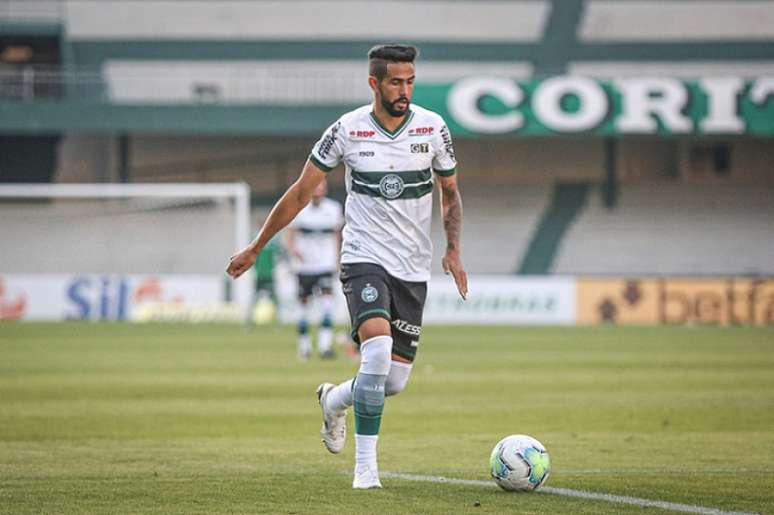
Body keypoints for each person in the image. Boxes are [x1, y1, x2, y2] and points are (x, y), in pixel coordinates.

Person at [227, 43, 467, 489]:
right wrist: (258, 246)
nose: (405, 90)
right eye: (396, 81)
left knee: (391, 382)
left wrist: (453, 248)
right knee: (374, 352)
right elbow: (301, 192)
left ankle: (334, 399)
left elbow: (449, 193)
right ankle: (366, 470)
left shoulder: (434, 128)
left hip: (412, 268)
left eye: (411, 80)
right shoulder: (347, 130)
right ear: (374, 82)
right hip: (363, 257)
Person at [285, 180, 343, 360]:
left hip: (325, 265)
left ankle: (325, 347)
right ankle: (304, 348)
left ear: (325, 189)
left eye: (321, 187)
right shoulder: (299, 208)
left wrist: (339, 259)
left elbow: (337, 235)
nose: (318, 190)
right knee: (303, 308)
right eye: (315, 187)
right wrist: (293, 250)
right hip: (304, 267)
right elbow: (289, 234)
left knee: (326, 305)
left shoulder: (333, 208)